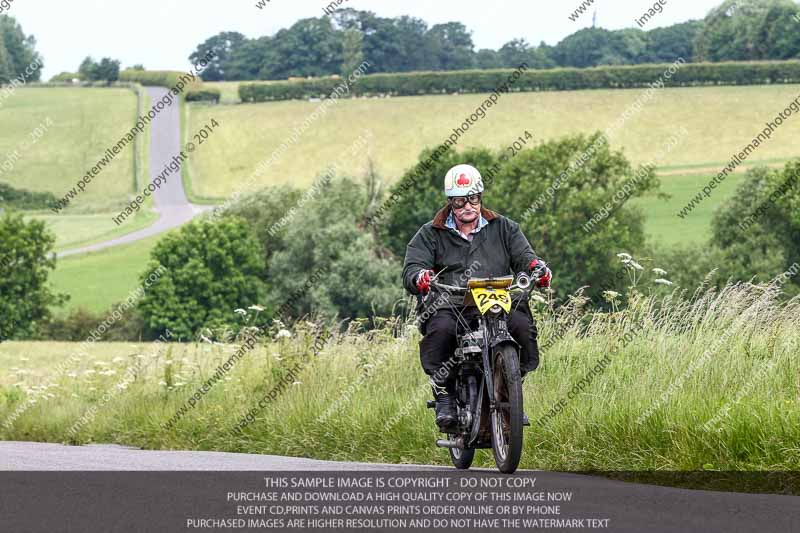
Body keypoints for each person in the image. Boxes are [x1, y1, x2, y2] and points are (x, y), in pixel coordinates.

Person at [402, 164, 551, 430]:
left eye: (473, 198)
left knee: (522, 327)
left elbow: (525, 257)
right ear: (450, 202)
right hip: (451, 301)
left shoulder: (504, 227)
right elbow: (412, 268)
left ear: (480, 197)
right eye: (460, 201)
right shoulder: (430, 233)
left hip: (497, 300)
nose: (468, 206)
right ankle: (445, 394)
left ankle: (512, 393)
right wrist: (420, 277)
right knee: (441, 330)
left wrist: (536, 269)